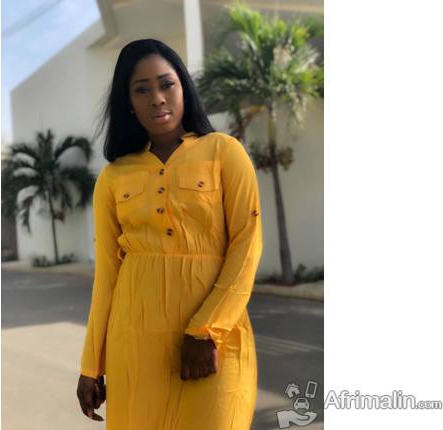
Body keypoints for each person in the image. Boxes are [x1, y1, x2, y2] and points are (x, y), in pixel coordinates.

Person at [76, 38, 264, 429]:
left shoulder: (223, 152)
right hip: (135, 346)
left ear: (184, 88)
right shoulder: (113, 177)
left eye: (166, 84)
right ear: (129, 102)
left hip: (214, 343)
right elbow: (107, 275)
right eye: (142, 90)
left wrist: (205, 331)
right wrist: (91, 365)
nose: (157, 98)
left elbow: (247, 245)